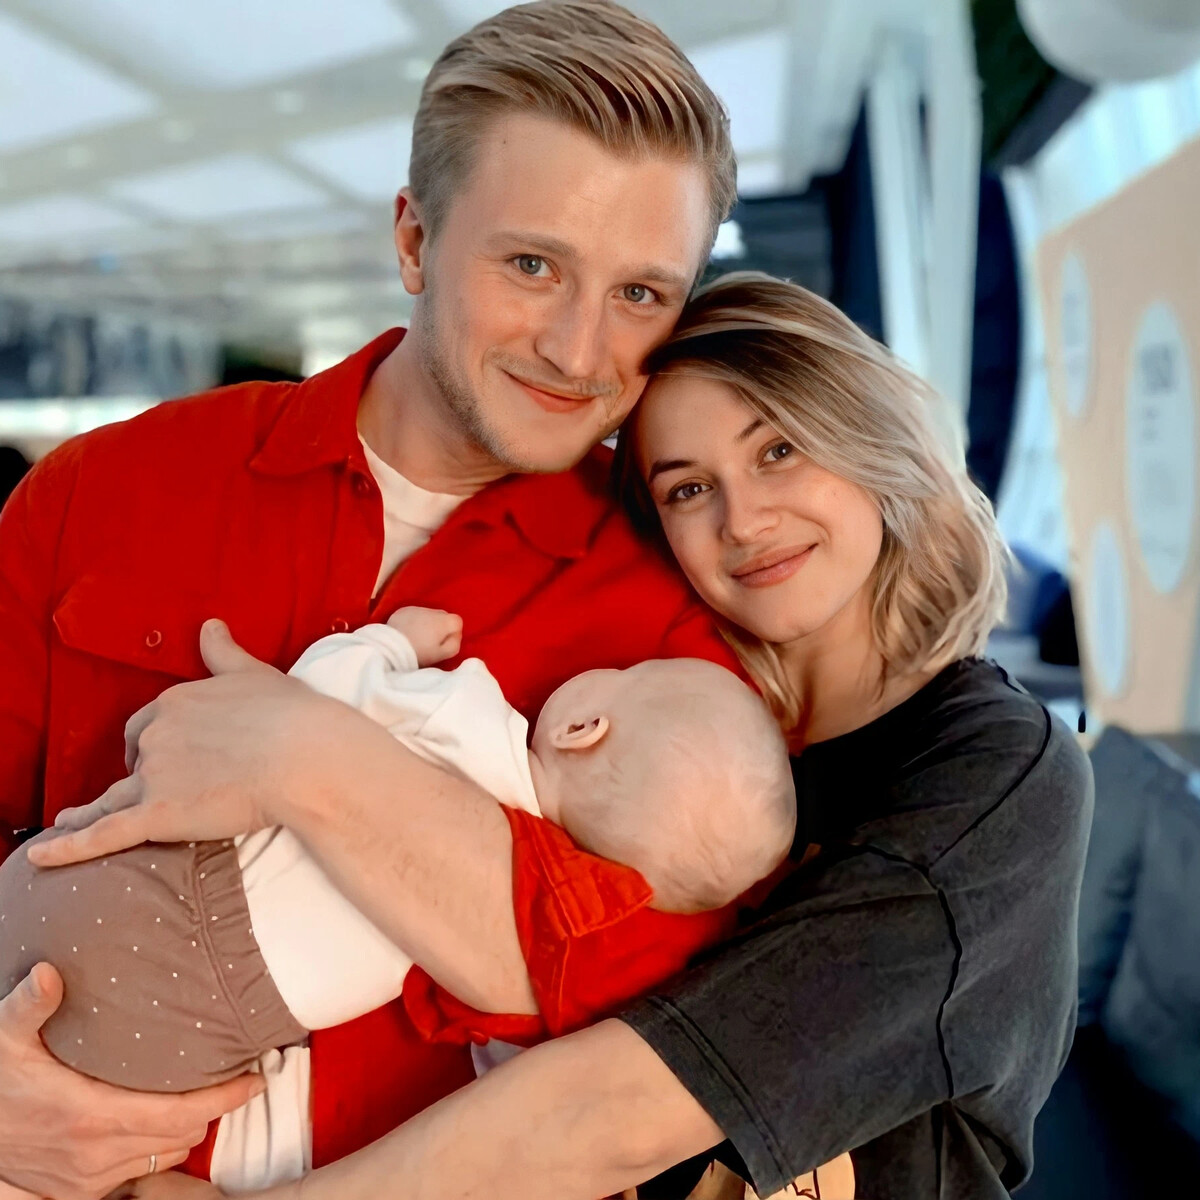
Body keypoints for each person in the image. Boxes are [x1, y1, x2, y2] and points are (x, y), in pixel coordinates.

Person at [45, 273, 1092, 1200]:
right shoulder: (680, 714)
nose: (743, 519)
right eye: (689, 487)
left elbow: (627, 1102)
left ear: (870, 440)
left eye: (779, 449)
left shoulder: (995, 774)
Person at [0, 3, 747, 1195]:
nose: (578, 350)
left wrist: (308, 759)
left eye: (641, 294)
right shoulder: (102, 492)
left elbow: (648, 1018)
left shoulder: (675, 628)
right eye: (533, 265)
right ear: (413, 241)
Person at [4, 605, 793, 1106]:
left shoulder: (467, 718)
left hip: (154, 903)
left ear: (583, 728)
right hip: (204, 1036)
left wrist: (390, 642)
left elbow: (315, 696)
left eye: (626, 674)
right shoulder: (547, 914)